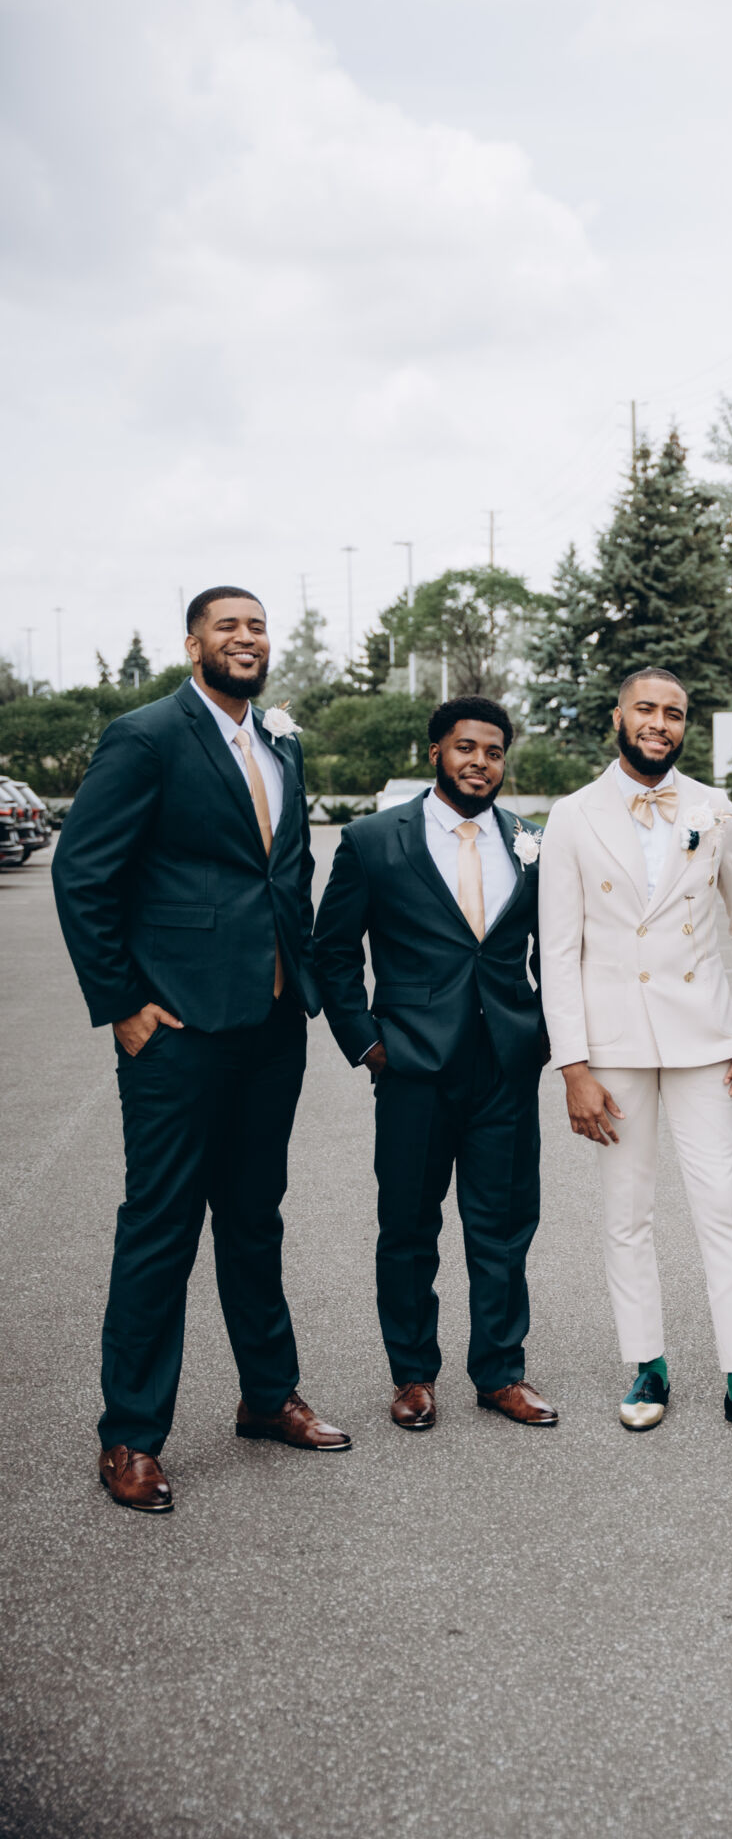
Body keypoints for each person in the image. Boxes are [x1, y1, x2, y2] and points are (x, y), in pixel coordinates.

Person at [52, 587, 350, 1516]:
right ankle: (131, 1435)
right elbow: (83, 872)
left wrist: (301, 982)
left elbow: (285, 871)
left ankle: (267, 1397)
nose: (246, 638)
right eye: (228, 626)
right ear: (194, 645)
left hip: (271, 1026)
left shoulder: (280, 743)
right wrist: (123, 1005)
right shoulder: (146, 737)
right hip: (176, 1030)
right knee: (161, 1227)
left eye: (257, 626)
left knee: (255, 1220)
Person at [538, 668, 732, 1446]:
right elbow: (559, 949)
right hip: (612, 1045)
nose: (659, 723)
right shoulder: (572, 816)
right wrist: (573, 1065)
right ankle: (647, 1365)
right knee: (628, 1213)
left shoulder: (715, 809)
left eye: (673, 713)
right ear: (618, 717)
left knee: (724, 1207)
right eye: (645, 709)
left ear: (684, 726)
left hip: (704, 1037)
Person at [314, 696, 556, 1431]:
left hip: (505, 1066)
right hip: (412, 1066)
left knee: (504, 1227)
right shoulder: (373, 840)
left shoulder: (532, 841)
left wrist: (544, 1032)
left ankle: (501, 1373)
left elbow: (558, 947)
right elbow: (332, 952)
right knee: (408, 1226)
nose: (480, 762)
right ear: (436, 755)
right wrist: (366, 1042)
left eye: (493, 751)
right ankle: (412, 1374)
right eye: (465, 748)